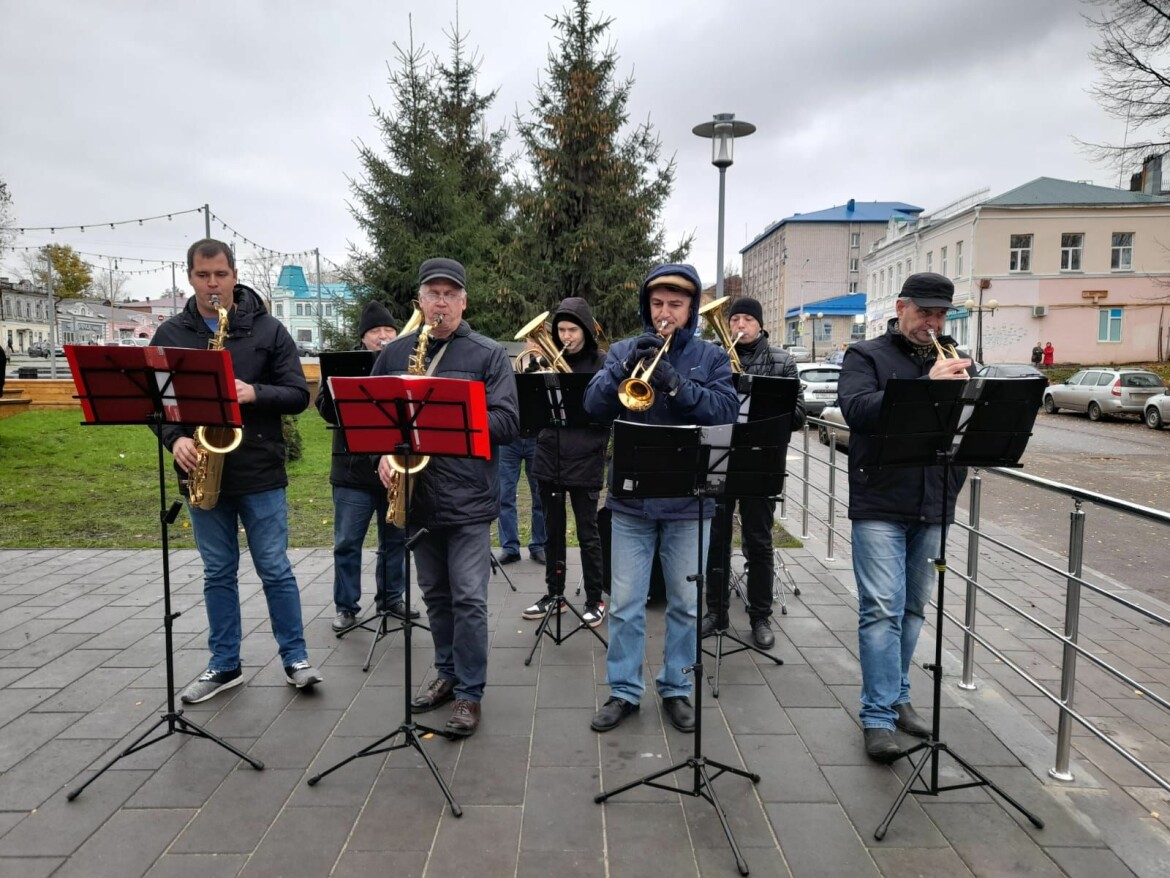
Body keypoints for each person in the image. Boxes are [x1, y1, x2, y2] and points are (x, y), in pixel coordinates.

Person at [152, 239, 322, 704]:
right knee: (217, 571)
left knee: (275, 568)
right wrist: (176, 439)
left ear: (234, 274)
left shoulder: (268, 330)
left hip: (260, 470)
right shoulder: (169, 334)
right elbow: (156, 405)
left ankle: (296, 659)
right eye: (203, 276)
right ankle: (225, 664)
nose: (212, 284)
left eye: (220, 275)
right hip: (200, 470)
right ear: (189, 276)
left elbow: (297, 394)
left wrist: (254, 393)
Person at [583, 264, 738, 733]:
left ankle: (676, 688)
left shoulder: (710, 357)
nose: (664, 313)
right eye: (657, 304)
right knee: (627, 603)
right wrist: (621, 375)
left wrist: (674, 382)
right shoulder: (627, 349)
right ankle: (624, 691)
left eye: (674, 304)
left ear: (690, 309)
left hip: (691, 502)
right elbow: (592, 405)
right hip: (632, 501)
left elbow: (726, 412)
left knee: (687, 604)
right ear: (646, 307)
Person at [373, 257, 519, 737]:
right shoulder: (395, 354)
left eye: (449, 294)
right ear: (420, 300)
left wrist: (455, 423)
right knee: (435, 594)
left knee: (470, 598)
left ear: (463, 301)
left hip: (468, 497)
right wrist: (382, 453)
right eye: (432, 294)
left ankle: (469, 694)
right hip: (417, 497)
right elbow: (371, 418)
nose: (441, 302)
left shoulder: (488, 355)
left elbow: (508, 421)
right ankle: (446, 673)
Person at [837, 272, 974, 763]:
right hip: (880, 501)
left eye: (941, 314)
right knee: (880, 610)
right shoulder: (866, 356)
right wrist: (924, 385)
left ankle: (896, 697)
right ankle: (876, 716)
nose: (933, 323)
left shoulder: (954, 356)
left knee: (913, 609)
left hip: (934, 499)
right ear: (901, 308)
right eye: (924, 313)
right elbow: (856, 409)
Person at [702, 296, 805, 649]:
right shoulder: (712, 359)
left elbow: (798, 416)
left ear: (760, 325)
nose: (739, 325)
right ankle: (715, 612)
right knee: (715, 540)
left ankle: (760, 615)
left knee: (759, 541)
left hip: (761, 461)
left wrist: (761, 399)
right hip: (720, 457)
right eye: (735, 319)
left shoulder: (782, 361)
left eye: (747, 319)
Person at [317, 301, 420, 633]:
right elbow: (324, 409)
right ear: (364, 337)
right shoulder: (343, 365)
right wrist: (340, 392)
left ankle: (391, 599)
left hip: (395, 468)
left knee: (395, 539)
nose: (383, 336)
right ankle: (346, 606)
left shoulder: (404, 362)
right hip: (352, 471)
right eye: (376, 331)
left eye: (389, 330)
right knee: (348, 542)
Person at [522, 297, 609, 627]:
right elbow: (531, 415)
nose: (567, 336)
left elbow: (607, 413)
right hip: (550, 457)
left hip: (586, 458)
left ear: (586, 330)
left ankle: (594, 599)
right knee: (553, 532)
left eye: (573, 329)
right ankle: (553, 594)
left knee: (588, 534)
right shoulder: (545, 362)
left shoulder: (602, 363)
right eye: (561, 330)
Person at [496, 439, 546, 565]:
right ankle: (510, 548)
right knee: (504, 497)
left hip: (537, 438)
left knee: (541, 497)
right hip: (508, 439)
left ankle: (539, 545)